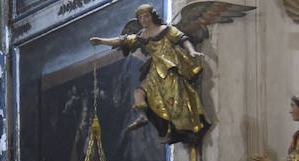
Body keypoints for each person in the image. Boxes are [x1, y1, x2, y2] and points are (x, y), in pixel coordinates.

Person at [89, 4, 209, 145]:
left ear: (152, 16)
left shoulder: (166, 30)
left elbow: (183, 39)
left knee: (175, 100)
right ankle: (142, 116)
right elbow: (123, 40)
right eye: (140, 17)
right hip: (155, 70)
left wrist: (191, 51)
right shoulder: (142, 36)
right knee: (140, 92)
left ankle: (181, 130)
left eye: (146, 16)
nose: (144, 20)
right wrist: (101, 41)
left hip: (171, 68)